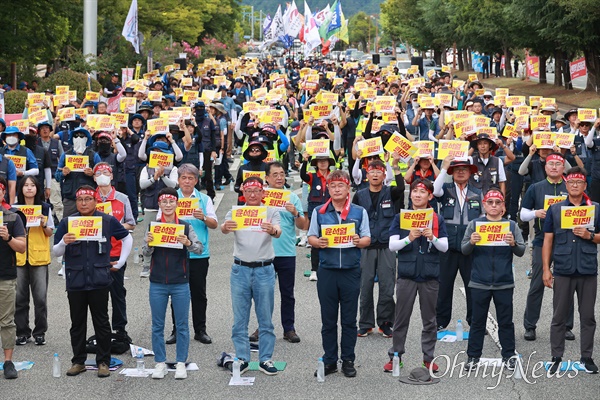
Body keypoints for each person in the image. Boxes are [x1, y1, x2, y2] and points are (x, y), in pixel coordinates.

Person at [53, 186, 132, 378]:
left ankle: (103, 361)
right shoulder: (67, 222)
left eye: (88, 199)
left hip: (99, 280)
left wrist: (120, 262)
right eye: (80, 200)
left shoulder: (106, 220)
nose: (84, 203)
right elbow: (55, 251)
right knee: (77, 323)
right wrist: (64, 242)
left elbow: (126, 237)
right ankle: (78, 361)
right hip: (76, 280)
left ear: (95, 201)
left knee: (102, 322)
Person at [308, 170, 371, 378]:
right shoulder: (320, 210)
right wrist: (318, 242)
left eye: (340, 186)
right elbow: (311, 237)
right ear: (328, 188)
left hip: (351, 271)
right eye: (333, 186)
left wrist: (357, 241)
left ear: (348, 189)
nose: (336, 189)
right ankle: (330, 360)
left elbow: (367, 239)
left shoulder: (359, 212)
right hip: (327, 271)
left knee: (349, 320)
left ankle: (349, 359)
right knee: (328, 320)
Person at [385, 178, 448, 373]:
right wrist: (409, 238)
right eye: (414, 191)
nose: (417, 195)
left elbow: (444, 247)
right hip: (406, 274)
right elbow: (392, 245)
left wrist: (432, 237)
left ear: (430, 195)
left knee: (430, 320)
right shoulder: (401, 217)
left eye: (422, 192)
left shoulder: (437, 218)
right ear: (410, 194)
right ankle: (395, 356)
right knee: (401, 319)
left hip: (430, 274)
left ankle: (428, 358)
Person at [221, 177, 282, 376]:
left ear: (263, 193)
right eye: (249, 191)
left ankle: (265, 359)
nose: (253, 195)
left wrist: (272, 229)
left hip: (264, 269)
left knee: (265, 318)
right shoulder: (237, 212)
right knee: (240, 319)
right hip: (240, 270)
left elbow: (278, 231)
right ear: (243, 194)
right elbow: (223, 228)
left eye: (257, 191)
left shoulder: (270, 211)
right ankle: (243, 358)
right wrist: (225, 227)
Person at [142, 187, 203, 380]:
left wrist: (187, 243)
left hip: (180, 282)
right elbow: (144, 253)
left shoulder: (185, 226)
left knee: (182, 325)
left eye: (171, 202)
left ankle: (180, 362)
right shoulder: (153, 225)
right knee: (157, 325)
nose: (168, 205)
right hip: (158, 282)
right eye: (164, 202)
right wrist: (149, 244)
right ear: (159, 204)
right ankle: (160, 362)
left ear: (177, 204)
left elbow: (199, 249)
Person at [543, 167, 600, 374]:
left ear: (585, 186)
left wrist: (590, 236)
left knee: (587, 316)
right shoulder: (556, 209)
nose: (575, 185)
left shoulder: (595, 208)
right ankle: (556, 356)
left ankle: (586, 357)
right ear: (566, 186)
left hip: (587, 270)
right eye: (571, 182)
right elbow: (548, 240)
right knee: (558, 316)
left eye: (579, 182)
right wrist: (546, 270)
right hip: (563, 269)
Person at [461, 190, 526, 371]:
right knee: (477, 321)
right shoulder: (475, 224)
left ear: (503, 206)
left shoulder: (511, 225)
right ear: (484, 205)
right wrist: (471, 242)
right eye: (490, 202)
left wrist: (513, 243)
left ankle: (509, 355)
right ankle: (473, 357)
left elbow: (521, 251)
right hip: (479, 282)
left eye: (498, 202)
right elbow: (464, 250)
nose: (494, 205)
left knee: (506, 321)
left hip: (504, 282)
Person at [248, 162, 306, 343]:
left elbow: (304, 226)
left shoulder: (291, 197)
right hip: (264, 252)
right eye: (275, 174)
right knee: (263, 293)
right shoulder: (259, 197)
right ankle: (262, 327)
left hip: (286, 251)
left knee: (287, 293)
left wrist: (295, 212)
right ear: (266, 178)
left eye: (282, 174)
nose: (279, 177)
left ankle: (289, 328)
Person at [519, 152, 574, 341]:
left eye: (558, 164)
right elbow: (523, 214)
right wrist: (536, 213)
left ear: (562, 168)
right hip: (542, 240)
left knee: (565, 284)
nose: (554, 167)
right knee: (537, 283)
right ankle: (530, 325)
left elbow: (584, 210)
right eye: (551, 164)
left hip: (566, 241)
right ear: (545, 167)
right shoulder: (536, 188)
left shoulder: (571, 187)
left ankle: (566, 326)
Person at [164, 164, 218, 345]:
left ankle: (200, 330)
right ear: (178, 180)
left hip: (199, 254)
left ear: (196, 180)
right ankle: (177, 329)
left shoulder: (204, 199)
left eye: (191, 178)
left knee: (199, 294)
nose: (187, 181)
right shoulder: (171, 199)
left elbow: (214, 224)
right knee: (176, 293)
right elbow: (159, 223)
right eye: (183, 178)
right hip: (175, 254)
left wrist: (203, 217)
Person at [353, 157, 405, 338]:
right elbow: (354, 218)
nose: (375, 174)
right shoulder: (359, 195)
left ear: (384, 175)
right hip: (366, 246)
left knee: (387, 285)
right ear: (367, 175)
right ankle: (365, 323)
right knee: (364, 285)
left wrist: (396, 167)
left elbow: (401, 188)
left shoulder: (391, 192)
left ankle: (385, 323)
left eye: (379, 172)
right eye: (372, 171)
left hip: (386, 246)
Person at [433, 157, 483, 331]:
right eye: (457, 169)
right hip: (448, 246)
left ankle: (475, 321)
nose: (460, 171)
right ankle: (440, 321)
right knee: (444, 286)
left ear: (470, 172)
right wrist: (445, 168)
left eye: (464, 169)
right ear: (452, 173)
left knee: (473, 287)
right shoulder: (445, 190)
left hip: (470, 247)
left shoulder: (478, 192)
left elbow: (485, 218)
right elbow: (434, 189)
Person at [93, 162, 136, 342]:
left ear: (111, 176)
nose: (102, 175)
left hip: (117, 251)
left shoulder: (122, 198)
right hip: (94, 253)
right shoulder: (89, 198)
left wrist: (114, 228)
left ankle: (120, 329)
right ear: (94, 177)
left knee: (117, 292)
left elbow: (131, 223)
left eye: (106, 172)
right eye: (98, 173)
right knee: (96, 294)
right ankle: (101, 329)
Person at [14, 176, 53, 346]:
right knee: (20, 298)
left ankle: (40, 332)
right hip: (19, 257)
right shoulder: (15, 209)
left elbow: (50, 232)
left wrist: (44, 224)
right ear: (21, 189)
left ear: (37, 188)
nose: (29, 188)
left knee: (40, 298)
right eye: (26, 185)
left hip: (39, 257)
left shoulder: (44, 208)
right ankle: (22, 332)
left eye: (32, 185)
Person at [0, 176, 27, 379]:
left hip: (5, 277)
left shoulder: (13, 217)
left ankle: (8, 362)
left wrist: (7, 237)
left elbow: (22, 247)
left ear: (3, 193)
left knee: (7, 321)